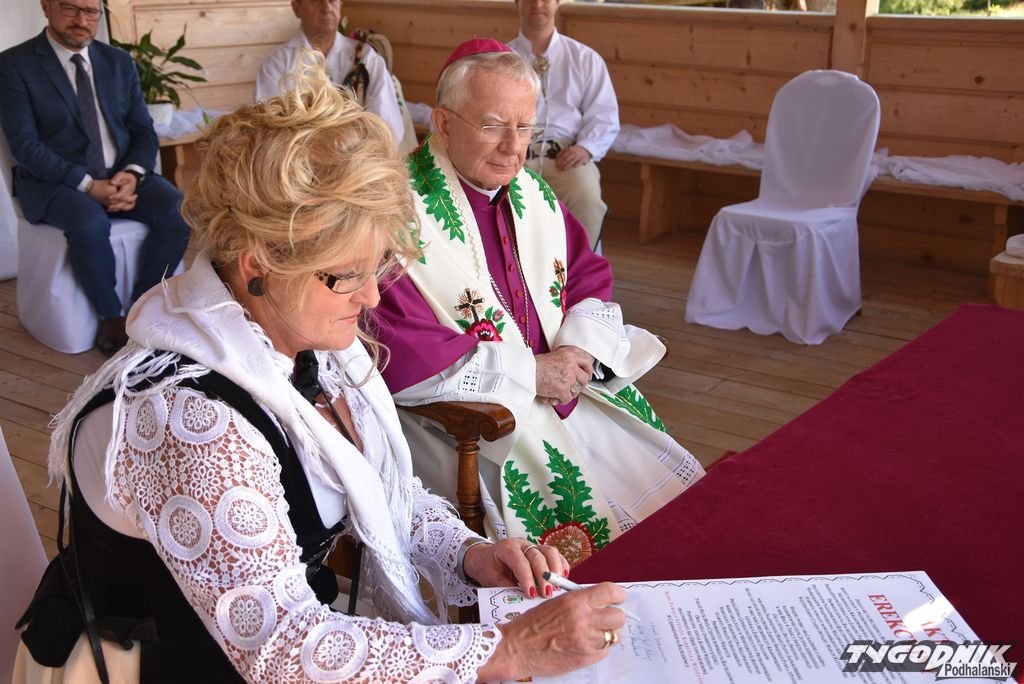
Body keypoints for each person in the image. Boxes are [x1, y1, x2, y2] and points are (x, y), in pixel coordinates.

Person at [12, 59, 630, 683]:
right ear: (258, 264)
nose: (372, 298)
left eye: (377, 268)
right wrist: (510, 650)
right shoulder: (186, 416)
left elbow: (387, 493)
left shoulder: (303, 339)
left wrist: (472, 555)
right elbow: (281, 646)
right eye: (346, 275)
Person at [374, 40, 704, 568]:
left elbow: (588, 275)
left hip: (564, 391)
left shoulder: (534, 196)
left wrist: (577, 350)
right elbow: (397, 344)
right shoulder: (393, 212)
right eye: (492, 125)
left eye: (526, 127)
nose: (514, 148)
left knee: (672, 510)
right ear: (443, 123)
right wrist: (530, 374)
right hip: (468, 420)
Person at [0, 0, 190, 356]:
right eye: (71, 8)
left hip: (120, 175)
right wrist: (88, 185)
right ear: (46, 6)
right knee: (88, 220)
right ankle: (111, 317)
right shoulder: (14, 65)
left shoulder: (118, 62)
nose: (82, 20)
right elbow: (25, 146)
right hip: (53, 182)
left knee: (177, 208)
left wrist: (131, 174)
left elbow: (143, 131)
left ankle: (142, 307)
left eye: (90, 12)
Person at [508, 0, 619, 250]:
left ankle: (578, 270)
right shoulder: (502, 59)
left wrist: (586, 148)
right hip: (514, 153)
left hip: (565, 155)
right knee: (496, 199)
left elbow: (604, 115)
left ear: (558, 2)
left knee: (587, 199)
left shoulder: (585, 58)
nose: (538, 4)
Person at [255, 0, 409, 149]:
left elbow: (388, 128)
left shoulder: (367, 59)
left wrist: (354, 154)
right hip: (299, 161)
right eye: (316, 1)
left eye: (333, 0)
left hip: (360, 160)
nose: (327, 7)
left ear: (340, 4)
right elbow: (270, 130)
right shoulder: (277, 65)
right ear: (296, 7)